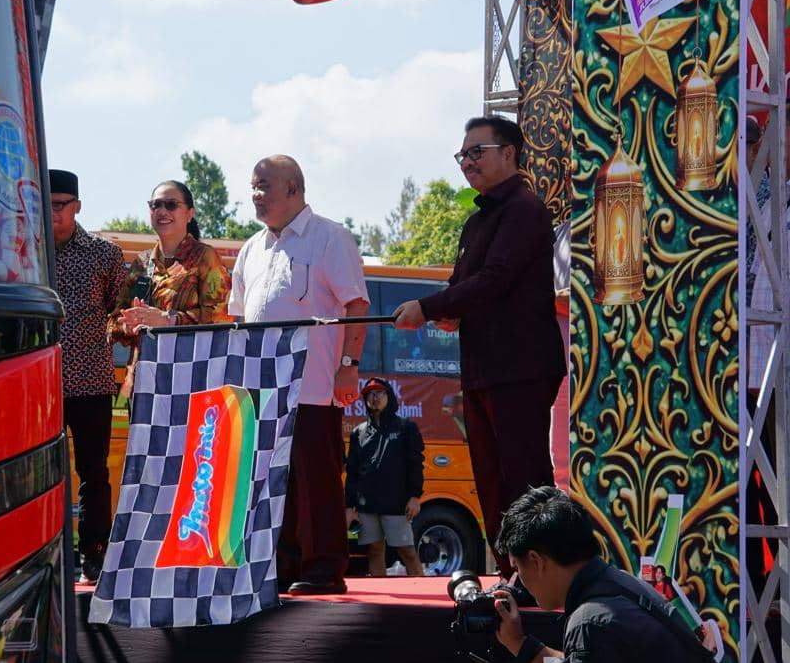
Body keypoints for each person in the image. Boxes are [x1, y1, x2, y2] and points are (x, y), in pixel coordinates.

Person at [391, 116, 565, 576]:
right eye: (462, 155)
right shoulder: (476, 220)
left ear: (509, 153)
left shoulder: (525, 210)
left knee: (523, 477)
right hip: (482, 366)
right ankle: (512, 574)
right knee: (489, 480)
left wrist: (428, 308)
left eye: (476, 152)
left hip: (521, 366)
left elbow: (496, 279)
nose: (467, 163)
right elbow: (463, 286)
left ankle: (544, 575)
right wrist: (447, 311)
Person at [228, 155, 370, 596]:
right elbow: (236, 318)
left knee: (317, 479)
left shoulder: (330, 237)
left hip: (312, 385)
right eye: (253, 186)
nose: (255, 195)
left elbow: (357, 305)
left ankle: (324, 567)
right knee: (270, 481)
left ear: (293, 187)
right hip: (261, 388)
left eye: (263, 185)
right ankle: (283, 566)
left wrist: (348, 368)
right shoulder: (252, 247)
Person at [492, 486, 713, 663]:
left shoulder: (590, 623)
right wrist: (519, 643)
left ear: (536, 561)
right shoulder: (621, 585)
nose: (520, 579)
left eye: (517, 568)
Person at [50, 169, 127, 585]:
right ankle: (43, 557)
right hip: (37, 386)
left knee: (94, 473)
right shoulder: (25, 249)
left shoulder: (104, 254)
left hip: (91, 382)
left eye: (60, 205)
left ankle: (95, 555)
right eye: (45, 206)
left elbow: (122, 313)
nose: (53, 214)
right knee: (38, 475)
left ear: (77, 206)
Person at [107, 180, 230, 397]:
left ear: (189, 213)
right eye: (156, 205)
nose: (162, 211)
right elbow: (113, 321)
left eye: (171, 204)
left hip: (191, 381)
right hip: (143, 381)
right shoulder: (142, 263)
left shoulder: (206, 258)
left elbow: (220, 319)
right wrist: (129, 324)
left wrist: (168, 320)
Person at [344, 377, 425, 577]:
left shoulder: (406, 428)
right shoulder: (358, 433)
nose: (375, 397)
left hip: (397, 503)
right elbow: (352, 473)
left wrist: (415, 497)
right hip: (366, 506)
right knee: (374, 551)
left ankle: (423, 595)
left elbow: (416, 465)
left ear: (389, 396)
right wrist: (348, 507)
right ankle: (381, 602)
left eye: (380, 393)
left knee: (408, 552)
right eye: (370, 394)